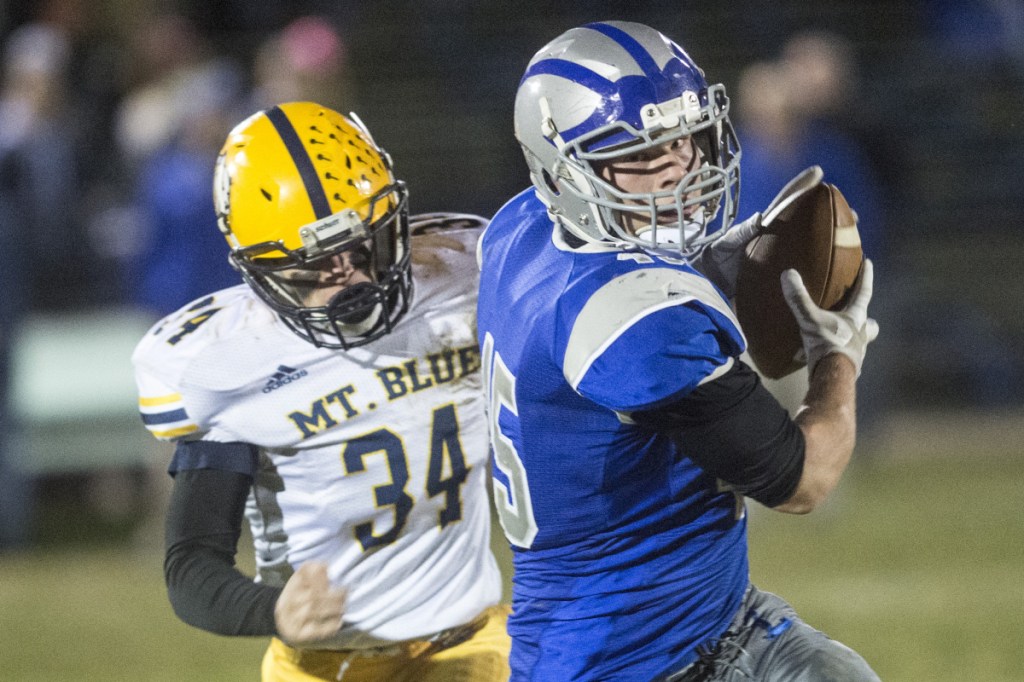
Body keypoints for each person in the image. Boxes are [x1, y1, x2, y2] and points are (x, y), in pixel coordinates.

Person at [477, 21, 880, 681]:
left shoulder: (517, 228)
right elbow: (804, 480)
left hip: (714, 616)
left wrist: (712, 265)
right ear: (565, 166)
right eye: (638, 156)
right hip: (627, 659)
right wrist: (837, 357)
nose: (677, 169)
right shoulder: (632, 323)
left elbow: (615, 265)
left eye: (685, 140)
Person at [131, 101, 509, 681]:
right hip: (323, 665)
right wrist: (274, 609)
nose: (351, 277)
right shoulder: (227, 365)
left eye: (363, 247)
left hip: (474, 641)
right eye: (314, 265)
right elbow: (191, 565)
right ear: (257, 271)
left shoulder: (462, 276)